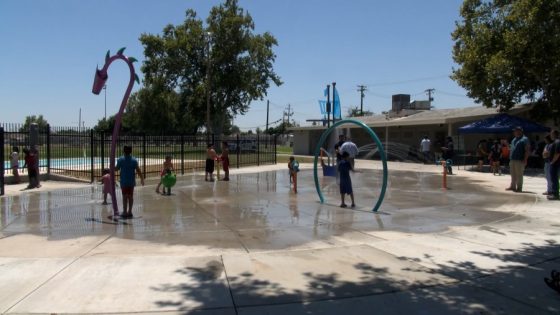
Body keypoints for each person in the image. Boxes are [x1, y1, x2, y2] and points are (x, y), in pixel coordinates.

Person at [116, 145, 144, 218]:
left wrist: (111, 167)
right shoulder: (134, 160)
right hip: (131, 182)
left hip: (124, 182)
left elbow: (116, 169)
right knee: (130, 196)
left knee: (125, 197)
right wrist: (142, 178)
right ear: (131, 151)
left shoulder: (121, 160)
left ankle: (125, 212)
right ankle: (130, 211)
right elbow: (138, 170)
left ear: (123, 151)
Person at [506, 126, 530, 193]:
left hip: (519, 159)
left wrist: (525, 159)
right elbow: (511, 148)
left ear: (520, 131)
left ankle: (519, 188)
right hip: (512, 159)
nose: (514, 132)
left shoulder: (525, 139)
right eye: (514, 131)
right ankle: (512, 186)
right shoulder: (514, 139)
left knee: (519, 174)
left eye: (516, 131)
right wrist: (507, 144)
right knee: (513, 174)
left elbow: (527, 150)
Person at [548, 130, 560, 200]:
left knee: (554, 179)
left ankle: (555, 194)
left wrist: (552, 161)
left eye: (551, 134)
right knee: (553, 179)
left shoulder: (557, 142)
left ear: (554, 134)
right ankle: (554, 193)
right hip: (555, 163)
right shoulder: (555, 142)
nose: (550, 135)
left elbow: (557, 153)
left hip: (555, 164)